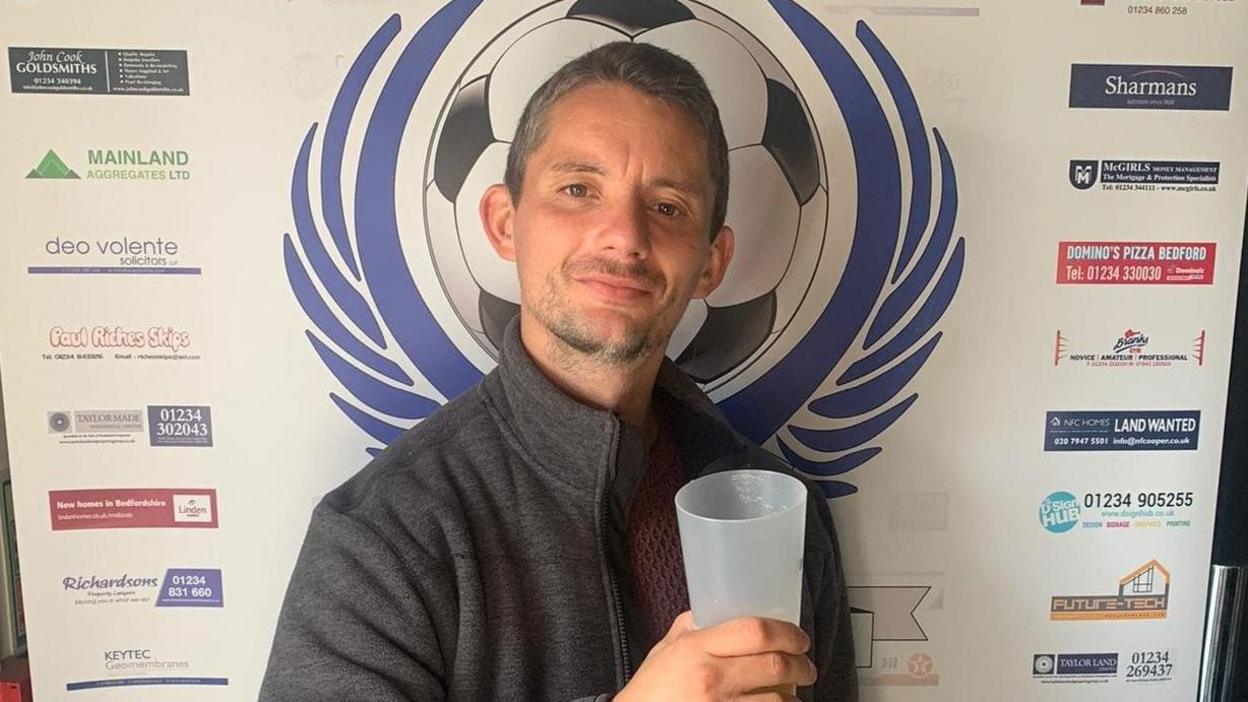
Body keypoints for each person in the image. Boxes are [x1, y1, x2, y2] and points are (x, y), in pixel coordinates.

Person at [260, 41, 857, 701]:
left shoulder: (780, 512)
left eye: (667, 207)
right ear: (504, 223)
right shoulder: (382, 536)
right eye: (578, 189)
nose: (623, 234)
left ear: (711, 263)